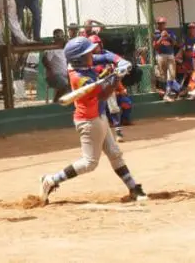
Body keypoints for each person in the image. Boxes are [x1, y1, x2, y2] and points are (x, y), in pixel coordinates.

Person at [39, 37, 147, 205]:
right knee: (89, 163)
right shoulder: (80, 78)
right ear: (79, 58)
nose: (92, 54)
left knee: (114, 154)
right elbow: (103, 94)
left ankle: (134, 188)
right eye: (88, 53)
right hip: (89, 122)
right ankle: (51, 180)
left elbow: (105, 56)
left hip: (100, 115)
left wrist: (120, 62)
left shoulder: (82, 63)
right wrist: (117, 77)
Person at [153, 17, 177, 101]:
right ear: (158, 24)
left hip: (170, 55)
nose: (161, 25)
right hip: (160, 55)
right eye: (160, 23)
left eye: (163, 23)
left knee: (172, 74)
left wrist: (168, 36)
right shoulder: (155, 33)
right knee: (163, 76)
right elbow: (155, 46)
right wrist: (161, 37)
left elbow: (174, 43)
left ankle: (168, 93)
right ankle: (164, 93)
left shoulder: (170, 32)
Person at [42, 29, 68, 102]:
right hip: (54, 76)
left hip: (65, 75)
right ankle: (55, 103)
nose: (60, 37)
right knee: (65, 85)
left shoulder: (64, 47)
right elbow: (44, 60)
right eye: (58, 36)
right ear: (54, 37)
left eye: (61, 35)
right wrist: (50, 71)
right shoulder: (52, 47)